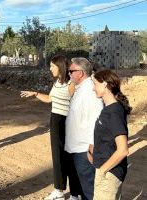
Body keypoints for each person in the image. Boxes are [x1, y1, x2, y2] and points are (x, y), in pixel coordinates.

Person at [21, 55, 83, 200]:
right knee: (57, 157)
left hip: (69, 122)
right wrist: (35, 93)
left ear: (60, 66)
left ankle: (75, 194)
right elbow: (50, 99)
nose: (50, 69)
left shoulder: (71, 84)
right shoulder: (57, 82)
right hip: (55, 120)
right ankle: (59, 191)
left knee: (71, 158)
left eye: (52, 66)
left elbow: (78, 105)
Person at [65, 57, 104, 200]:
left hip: (84, 151)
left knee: (89, 191)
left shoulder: (90, 91)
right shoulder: (80, 89)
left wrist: (92, 147)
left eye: (71, 71)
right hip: (75, 149)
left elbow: (97, 120)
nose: (69, 73)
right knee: (81, 189)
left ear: (80, 73)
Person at [91, 70, 130, 200]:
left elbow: (123, 150)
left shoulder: (114, 112)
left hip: (109, 174)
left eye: (95, 84)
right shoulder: (109, 109)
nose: (93, 88)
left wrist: (102, 171)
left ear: (105, 85)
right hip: (105, 169)